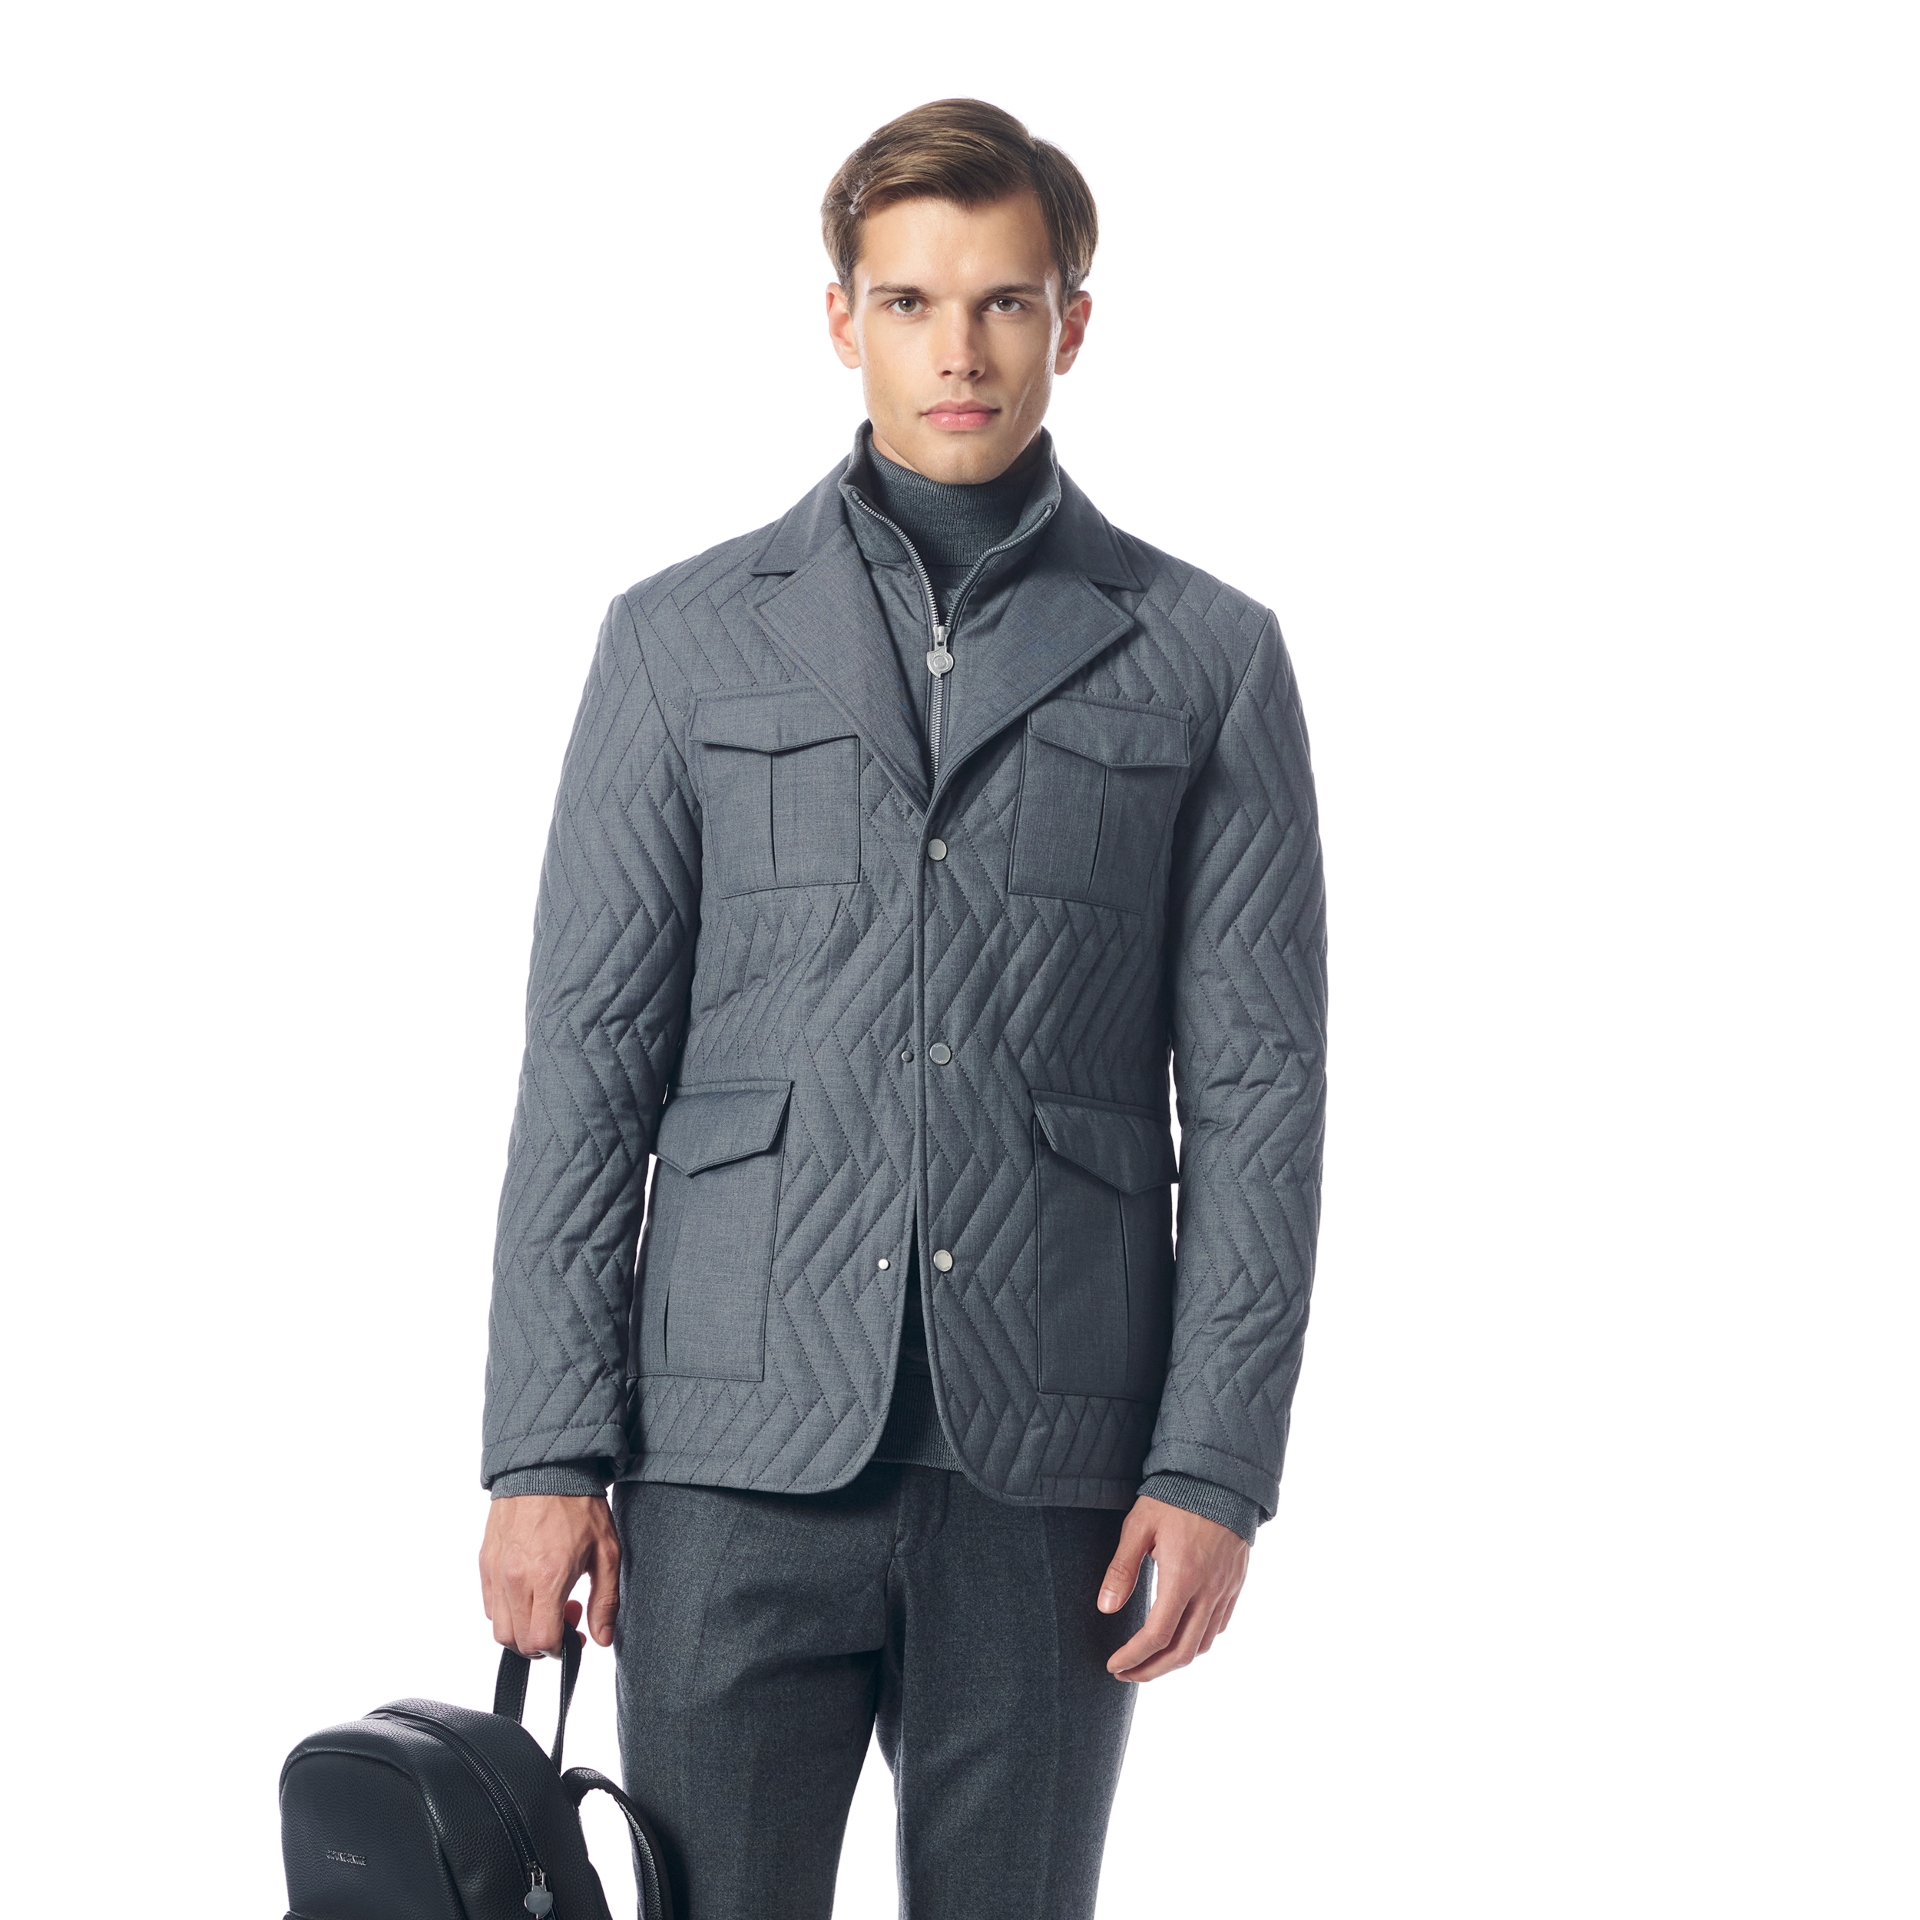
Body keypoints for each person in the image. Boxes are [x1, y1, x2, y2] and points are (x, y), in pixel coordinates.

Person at [476, 97, 1326, 1920]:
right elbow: (589, 1058)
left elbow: (1263, 1092)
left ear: (1071, 325)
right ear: (840, 318)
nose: (960, 349)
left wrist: (1215, 1465)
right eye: (912, 301)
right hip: (728, 1453)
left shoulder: (1207, 656)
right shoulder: (679, 640)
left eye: (1006, 301)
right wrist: (544, 1451)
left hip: (1053, 1471)